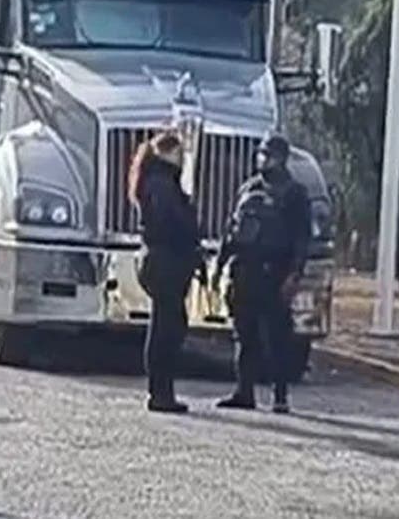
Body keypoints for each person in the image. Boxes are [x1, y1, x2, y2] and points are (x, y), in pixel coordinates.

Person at [213, 134, 312, 414]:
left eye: (269, 155)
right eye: (261, 154)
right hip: (245, 270)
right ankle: (244, 391)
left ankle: (279, 396)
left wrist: (294, 274)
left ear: (281, 158)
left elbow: (301, 238)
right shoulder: (249, 188)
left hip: (275, 272)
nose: (263, 160)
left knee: (277, 338)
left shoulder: (294, 193)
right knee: (244, 336)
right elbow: (232, 229)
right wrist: (219, 266)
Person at [129, 131, 204, 413]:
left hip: (162, 261)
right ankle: (160, 392)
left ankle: (160, 390)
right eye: (179, 152)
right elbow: (171, 223)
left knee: (167, 324)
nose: (182, 158)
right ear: (169, 153)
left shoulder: (158, 181)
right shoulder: (161, 184)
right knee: (166, 329)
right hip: (165, 262)